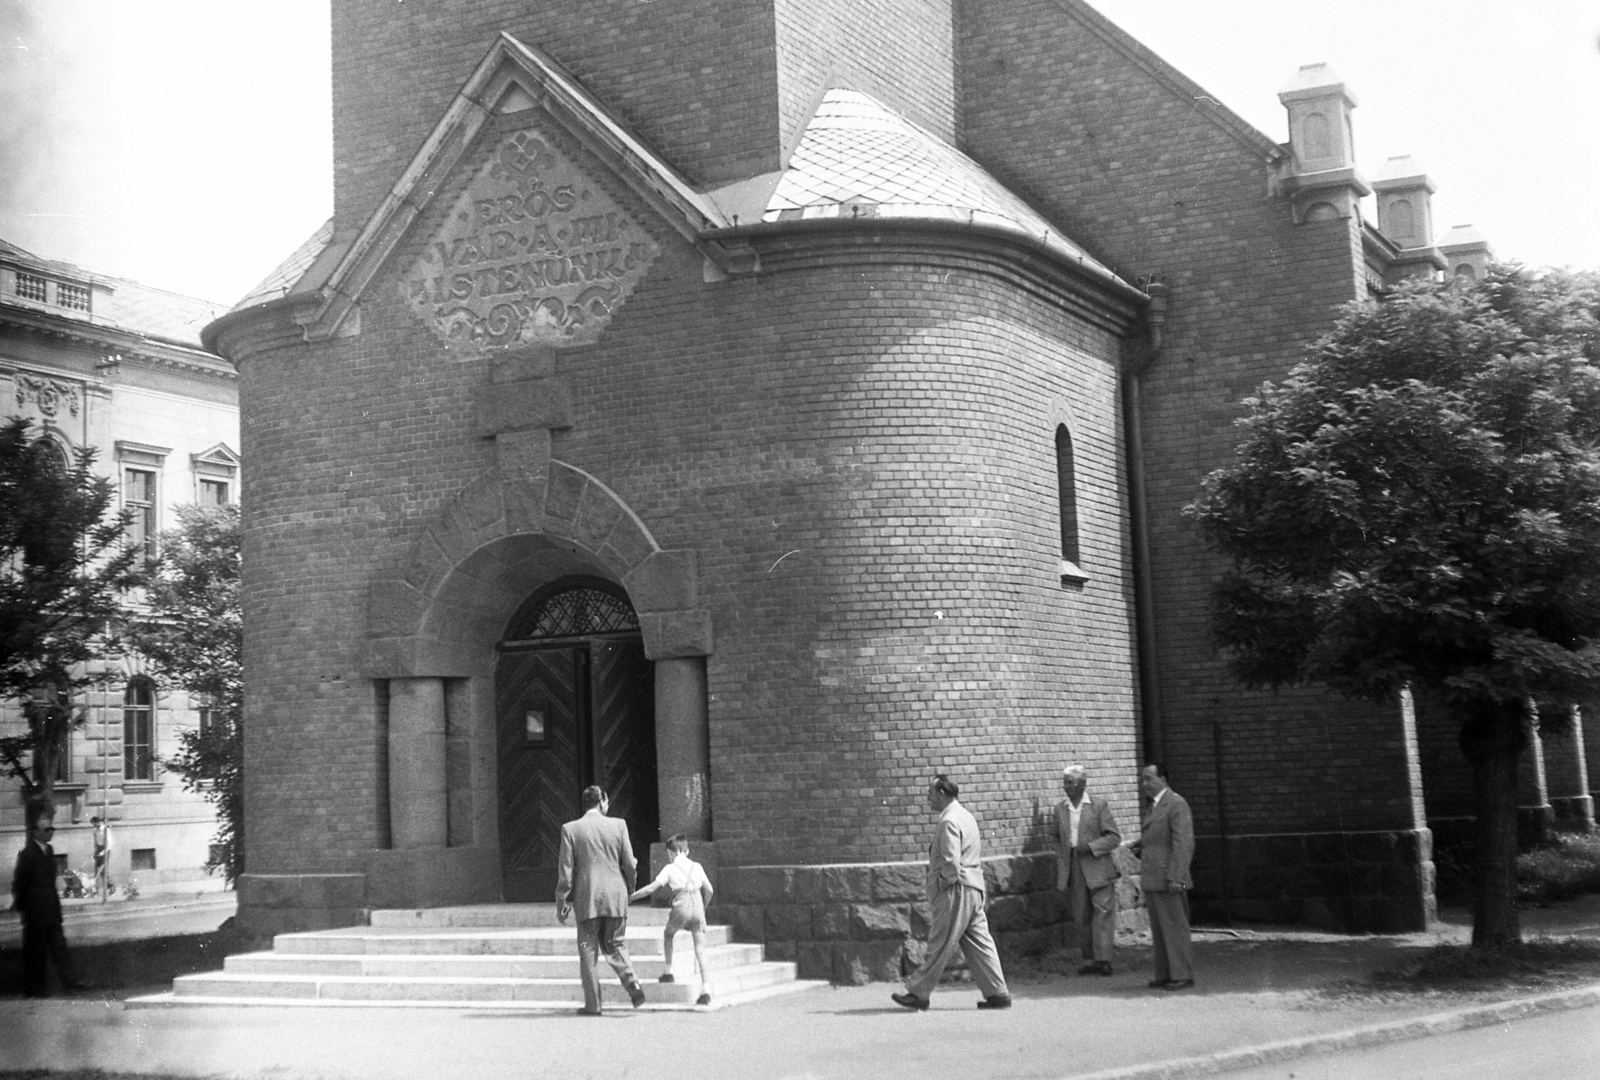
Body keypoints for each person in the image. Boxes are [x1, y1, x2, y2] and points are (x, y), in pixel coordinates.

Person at [892, 774, 1012, 1011]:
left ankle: (918, 993)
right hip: (974, 887)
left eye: (930, 794)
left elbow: (951, 863)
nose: (928, 799)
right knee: (980, 942)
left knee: (940, 942)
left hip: (956, 890)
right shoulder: (966, 816)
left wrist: (940, 885)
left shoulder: (948, 821)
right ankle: (997, 993)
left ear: (941, 793)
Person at [556, 785, 648, 1015]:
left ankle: (593, 1005)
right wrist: (629, 888)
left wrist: (562, 903)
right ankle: (633, 983)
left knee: (588, 950)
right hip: (615, 895)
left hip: (587, 898)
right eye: (607, 801)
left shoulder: (570, 829)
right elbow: (629, 863)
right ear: (602, 801)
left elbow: (566, 871)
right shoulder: (619, 825)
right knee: (615, 943)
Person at [10, 800, 87, 997]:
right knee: (36, 952)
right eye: (46, 830)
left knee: (60, 948)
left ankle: (71, 983)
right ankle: (35, 988)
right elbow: (20, 883)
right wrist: (23, 907)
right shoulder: (27, 854)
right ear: (36, 832)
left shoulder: (49, 851)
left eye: (52, 829)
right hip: (35, 912)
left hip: (51, 910)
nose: (50, 833)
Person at [1130, 763, 1195, 990]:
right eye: (1143, 779)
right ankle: (1166, 973)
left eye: (1149, 779)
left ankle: (1181, 974)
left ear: (1163, 779)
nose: (1145, 784)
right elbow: (1160, 836)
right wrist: (1141, 844)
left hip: (1169, 879)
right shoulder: (1155, 805)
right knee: (1160, 931)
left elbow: (1183, 843)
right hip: (1154, 878)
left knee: (1175, 928)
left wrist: (1177, 877)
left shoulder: (1176, 804)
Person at [630, 832, 714, 1006]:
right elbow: (710, 890)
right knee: (700, 948)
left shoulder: (670, 869)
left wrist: (631, 897)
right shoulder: (697, 866)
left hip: (681, 904)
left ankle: (668, 971)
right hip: (698, 904)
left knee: (668, 934)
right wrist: (703, 908)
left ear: (671, 852)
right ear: (687, 851)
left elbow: (651, 888)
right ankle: (706, 989)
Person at [1054, 763, 1122, 975]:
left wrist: (1091, 847)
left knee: (1102, 912)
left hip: (1097, 864)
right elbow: (1056, 837)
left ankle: (1104, 959)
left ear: (1082, 784)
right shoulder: (1060, 809)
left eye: (1070, 783)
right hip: (1074, 866)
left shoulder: (1098, 806)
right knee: (1081, 913)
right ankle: (1089, 959)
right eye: (1065, 783)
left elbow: (1114, 837)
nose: (1066, 787)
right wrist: (1064, 857)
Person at [90, 816, 112, 899]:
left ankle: (110, 886)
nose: (93, 825)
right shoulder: (95, 831)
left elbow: (109, 843)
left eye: (94, 823)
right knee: (96, 870)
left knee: (103, 870)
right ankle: (95, 890)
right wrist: (94, 852)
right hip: (98, 849)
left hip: (106, 850)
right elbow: (95, 842)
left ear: (98, 822)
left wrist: (103, 852)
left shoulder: (106, 830)